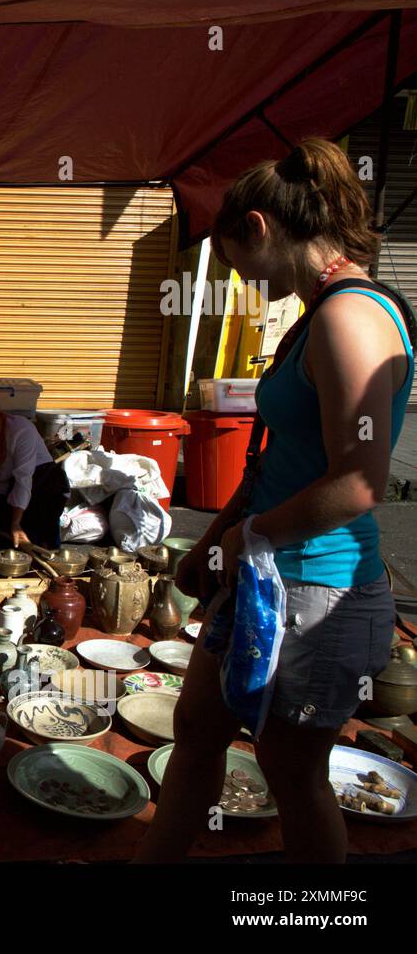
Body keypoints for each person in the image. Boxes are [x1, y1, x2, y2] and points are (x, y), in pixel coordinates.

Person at [135, 139, 414, 865]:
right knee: (196, 731)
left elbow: (359, 481)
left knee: (293, 773)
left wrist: (249, 533)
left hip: (321, 590)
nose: (242, 281)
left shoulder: (349, 318)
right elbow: (273, 465)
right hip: (261, 577)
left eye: (234, 263)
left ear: (257, 229)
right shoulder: (316, 314)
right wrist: (213, 542)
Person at [0, 394, 69, 551]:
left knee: (32, 532)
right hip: (3, 489)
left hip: (39, 482)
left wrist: (16, 524)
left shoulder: (21, 430)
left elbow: (23, 479)